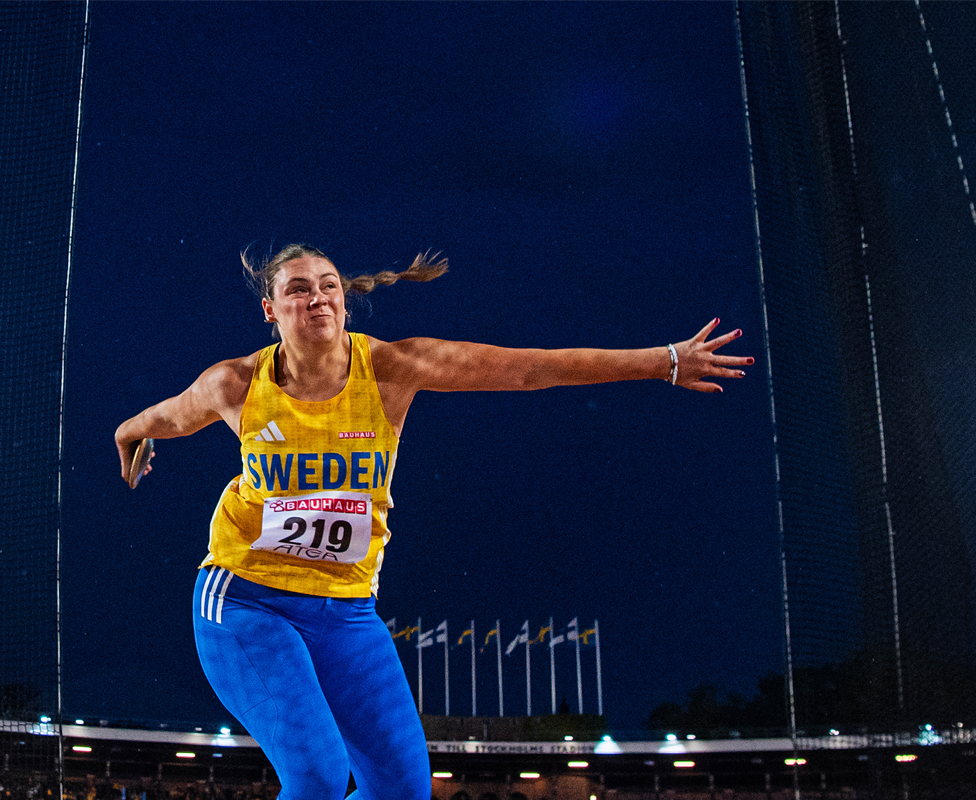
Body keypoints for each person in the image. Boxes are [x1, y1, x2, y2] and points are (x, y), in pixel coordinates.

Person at [114, 243, 752, 800]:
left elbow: (530, 367)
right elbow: (169, 416)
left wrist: (663, 360)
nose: (317, 298)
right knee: (316, 777)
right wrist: (128, 432)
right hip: (247, 600)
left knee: (400, 789)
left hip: (345, 608)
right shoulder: (237, 383)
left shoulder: (392, 367)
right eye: (297, 289)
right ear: (270, 310)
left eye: (328, 285)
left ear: (344, 300)